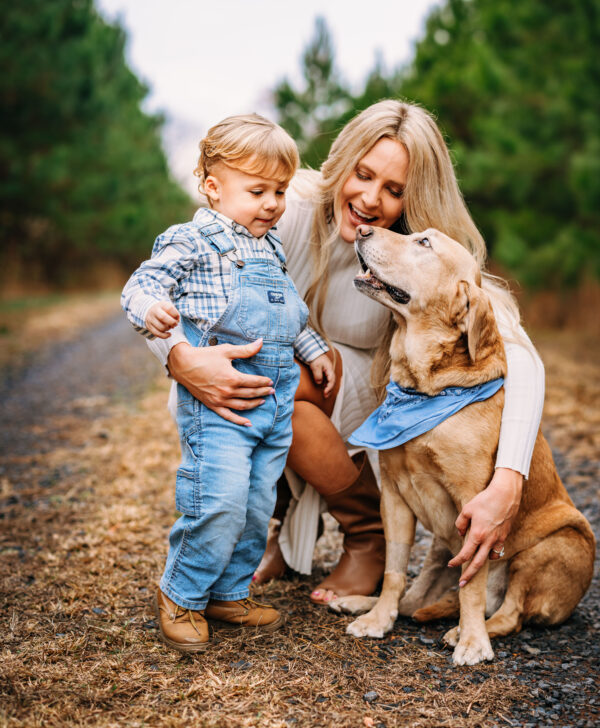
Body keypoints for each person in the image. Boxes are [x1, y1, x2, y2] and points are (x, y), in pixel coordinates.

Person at [147, 101, 545, 608]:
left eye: (394, 190)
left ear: (414, 197)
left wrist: (510, 478)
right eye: (363, 174)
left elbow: (523, 358)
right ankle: (271, 533)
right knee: (233, 383)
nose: (370, 199)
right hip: (297, 361)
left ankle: (367, 532)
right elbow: (184, 279)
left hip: (368, 381)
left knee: (271, 390)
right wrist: (179, 357)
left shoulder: (423, 247)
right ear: (345, 161)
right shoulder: (284, 202)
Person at [121, 114, 336, 652]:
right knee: (217, 498)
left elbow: (290, 315)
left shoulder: (272, 249)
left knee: (255, 505)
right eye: (257, 190)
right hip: (219, 406)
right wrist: (152, 310)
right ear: (214, 188)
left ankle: (228, 592)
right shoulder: (193, 240)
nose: (272, 203)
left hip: (274, 404)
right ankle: (182, 594)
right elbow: (139, 284)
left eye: (281, 191)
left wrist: (312, 350)